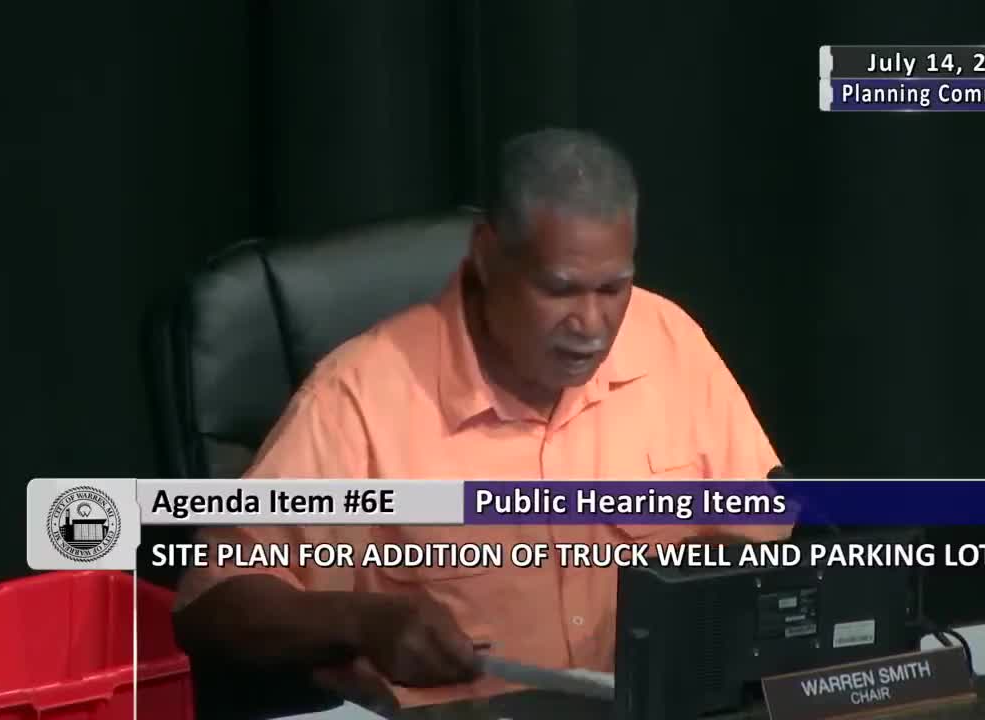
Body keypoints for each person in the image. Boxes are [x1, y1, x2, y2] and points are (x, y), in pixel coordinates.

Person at [172, 128, 790, 709]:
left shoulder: (668, 340)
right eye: (559, 289)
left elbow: (771, 530)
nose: (591, 325)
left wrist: (729, 560)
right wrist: (359, 621)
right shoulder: (360, 397)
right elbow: (212, 606)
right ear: (488, 256)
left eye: (612, 290)